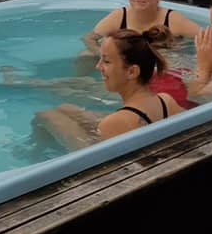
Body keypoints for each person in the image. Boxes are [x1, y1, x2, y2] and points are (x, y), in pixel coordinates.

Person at [32, 28, 185, 151]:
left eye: (106, 61)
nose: (98, 66)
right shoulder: (166, 100)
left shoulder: (114, 123)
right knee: (65, 108)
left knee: (45, 115)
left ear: (132, 71)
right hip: (138, 127)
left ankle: (35, 153)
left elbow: (92, 163)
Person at [80, 0, 201, 60]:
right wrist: (104, 54)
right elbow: (89, 38)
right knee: (86, 55)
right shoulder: (119, 17)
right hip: (129, 65)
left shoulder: (172, 20)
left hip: (166, 62)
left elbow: (207, 39)